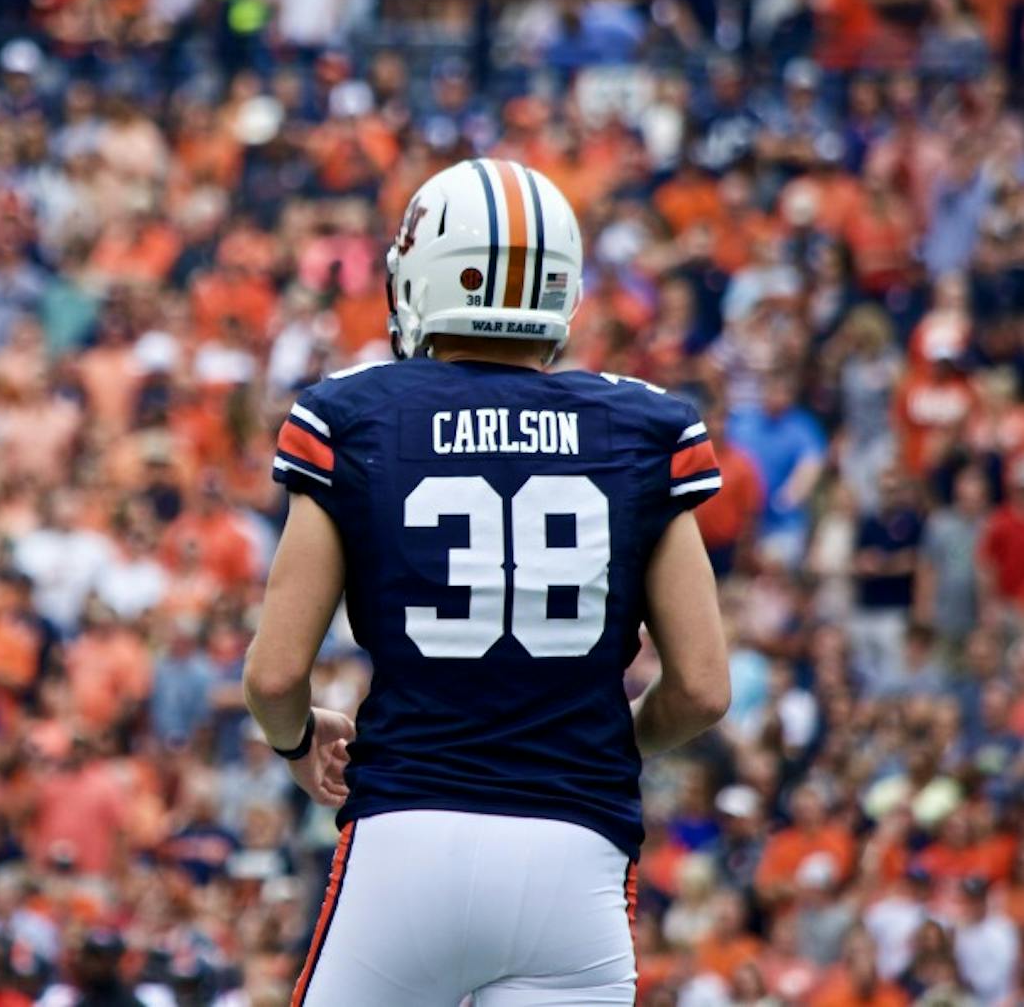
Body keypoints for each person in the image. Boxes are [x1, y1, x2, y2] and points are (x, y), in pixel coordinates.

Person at [244, 159, 730, 1005]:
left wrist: (296, 742)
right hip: (575, 853)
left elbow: (276, 674)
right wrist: (603, 741)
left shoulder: (357, 415)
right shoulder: (644, 426)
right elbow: (702, 689)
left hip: (407, 837)